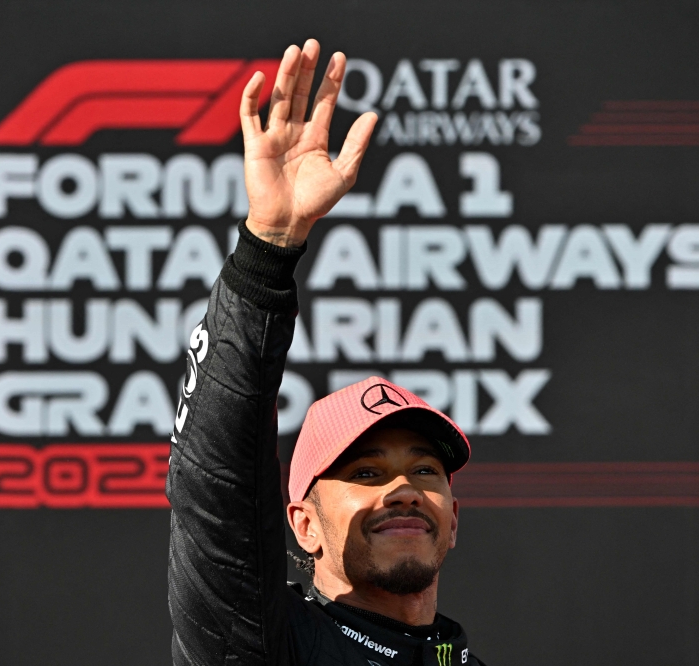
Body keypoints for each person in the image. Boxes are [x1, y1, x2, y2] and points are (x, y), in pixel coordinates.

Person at [167, 38, 484, 666]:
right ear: (304, 525)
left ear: (452, 520)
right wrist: (268, 250)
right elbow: (218, 488)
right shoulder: (266, 644)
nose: (402, 488)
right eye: (365, 474)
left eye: (425, 471)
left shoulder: (459, 659)